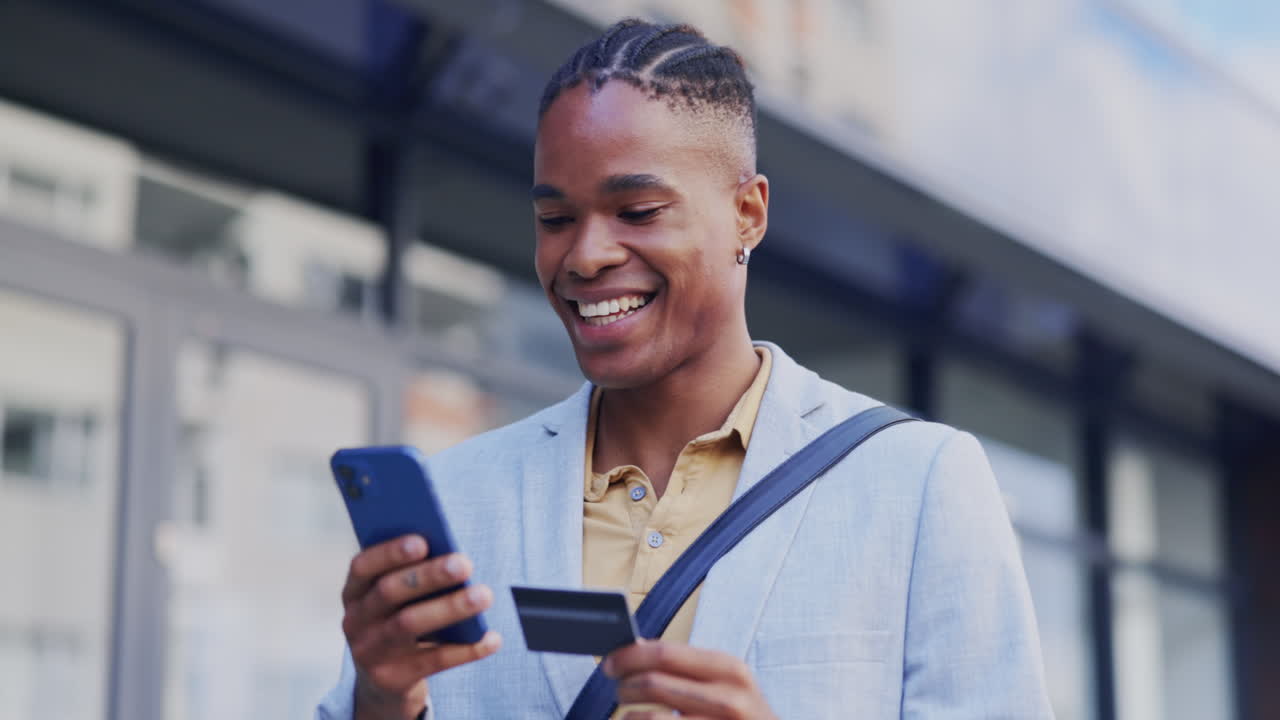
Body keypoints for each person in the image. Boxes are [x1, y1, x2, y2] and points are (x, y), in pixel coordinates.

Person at [318, 18, 1052, 720]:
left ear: (748, 214)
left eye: (637, 211)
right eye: (555, 219)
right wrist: (382, 705)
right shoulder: (460, 502)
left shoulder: (918, 483)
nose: (585, 255)